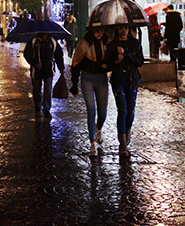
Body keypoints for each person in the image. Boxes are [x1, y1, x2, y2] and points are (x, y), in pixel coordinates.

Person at [70, 27, 111, 156]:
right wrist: (74, 84)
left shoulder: (106, 43)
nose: (99, 33)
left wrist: (107, 66)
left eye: (101, 30)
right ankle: (92, 142)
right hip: (87, 78)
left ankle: (98, 128)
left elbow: (112, 60)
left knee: (103, 112)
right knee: (91, 109)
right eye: (97, 31)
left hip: (102, 79)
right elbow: (76, 64)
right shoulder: (84, 45)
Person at [106, 25, 144, 155]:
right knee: (122, 110)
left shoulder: (135, 43)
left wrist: (126, 55)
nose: (124, 31)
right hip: (118, 81)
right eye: (121, 28)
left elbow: (140, 61)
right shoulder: (112, 45)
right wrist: (117, 60)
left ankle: (127, 131)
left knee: (130, 111)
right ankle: (122, 144)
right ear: (117, 30)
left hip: (132, 80)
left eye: (126, 28)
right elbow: (108, 63)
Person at [23, 32, 65, 119]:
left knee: (48, 89)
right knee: (36, 89)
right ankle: (37, 105)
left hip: (48, 70)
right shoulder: (34, 41)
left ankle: (46, 109)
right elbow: (27, 54)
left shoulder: (52, 42)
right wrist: (35, 63)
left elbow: (58, 55)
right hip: (36, 71)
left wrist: (61, 68)